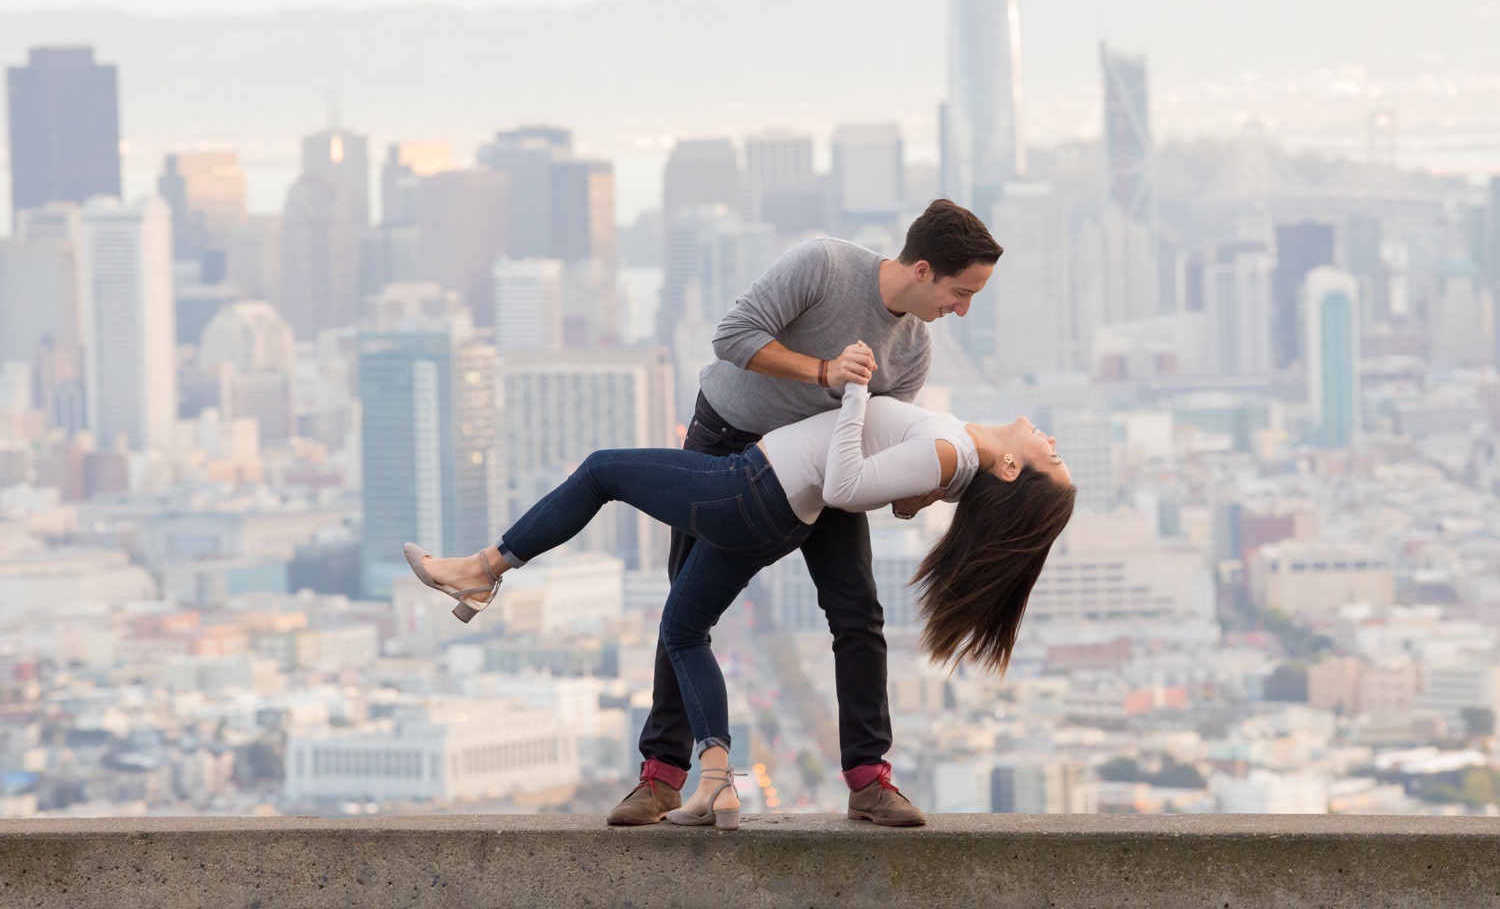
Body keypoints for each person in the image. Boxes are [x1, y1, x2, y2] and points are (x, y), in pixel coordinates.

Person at [404, 346, 1077, 830]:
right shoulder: (955, 456)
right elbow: (888, 486)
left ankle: (485, 568)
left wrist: (851, 390)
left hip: (750, 488)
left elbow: (844, 485)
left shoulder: (953, 451)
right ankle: (717, 781)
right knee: (682, 628)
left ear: (1014, 468)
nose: (1052, 439)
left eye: (1054, 457)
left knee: (602, 470)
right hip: (775, 510)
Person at [622, 198, 1003, 829]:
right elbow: (731, 338)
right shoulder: (823, 266)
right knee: (684, 610)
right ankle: (662, 776)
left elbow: (880, 439)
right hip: (729, 441)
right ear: (923, 270)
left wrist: (917, 492)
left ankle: (869, 779)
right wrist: (825, 371)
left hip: (818, 467)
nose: (961, 310)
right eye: (961, 293)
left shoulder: (913, 352)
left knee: (857, 610)